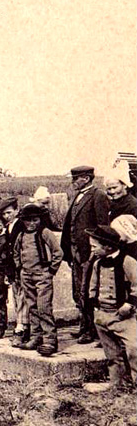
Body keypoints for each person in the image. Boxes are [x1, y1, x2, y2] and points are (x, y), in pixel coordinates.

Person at [84, 225, 137, 392]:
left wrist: (129, 304)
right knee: (112, 353)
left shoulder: (128, 261)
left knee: (134, 349)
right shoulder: (98, 263)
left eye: (94, 246)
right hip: (102, 314)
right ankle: (118, 384)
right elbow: (92, 285)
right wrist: (94, 307)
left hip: (122, 316)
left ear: (107, 246)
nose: (91, 250)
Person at [60, 165, 109, 345]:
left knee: (87, 290)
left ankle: (92, 330)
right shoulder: (77, 196)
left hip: (88, 253)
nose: (73, 182)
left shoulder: (98, 196)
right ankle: (84, 326)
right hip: (75, 252)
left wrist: (96, 251)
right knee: (78, 289)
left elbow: (103, 227)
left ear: (86, 179)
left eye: (75, 179)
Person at [13, 204, 63, 355]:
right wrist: (20, 268)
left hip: (42, 274)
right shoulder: (21, 235)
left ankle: (50, 340)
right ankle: (36, 337)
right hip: (26, 275)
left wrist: (50, 271)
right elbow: (16, 253)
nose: (31, 224)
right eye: (28, 221)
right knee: (31, 306)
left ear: (40, 219)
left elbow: (58, 253)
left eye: (35, 220)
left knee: (44, 307)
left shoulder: (45, 233)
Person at [0, 197, 28, 345]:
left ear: (17, 210)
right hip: (12, 268)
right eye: (4, 214)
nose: (6, 216)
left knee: (22, 297)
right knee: (17, 297)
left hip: (21, 267)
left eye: (9, 212)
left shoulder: (21, 225)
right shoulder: (9, 227)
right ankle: (21, 326)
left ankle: (22, 328)